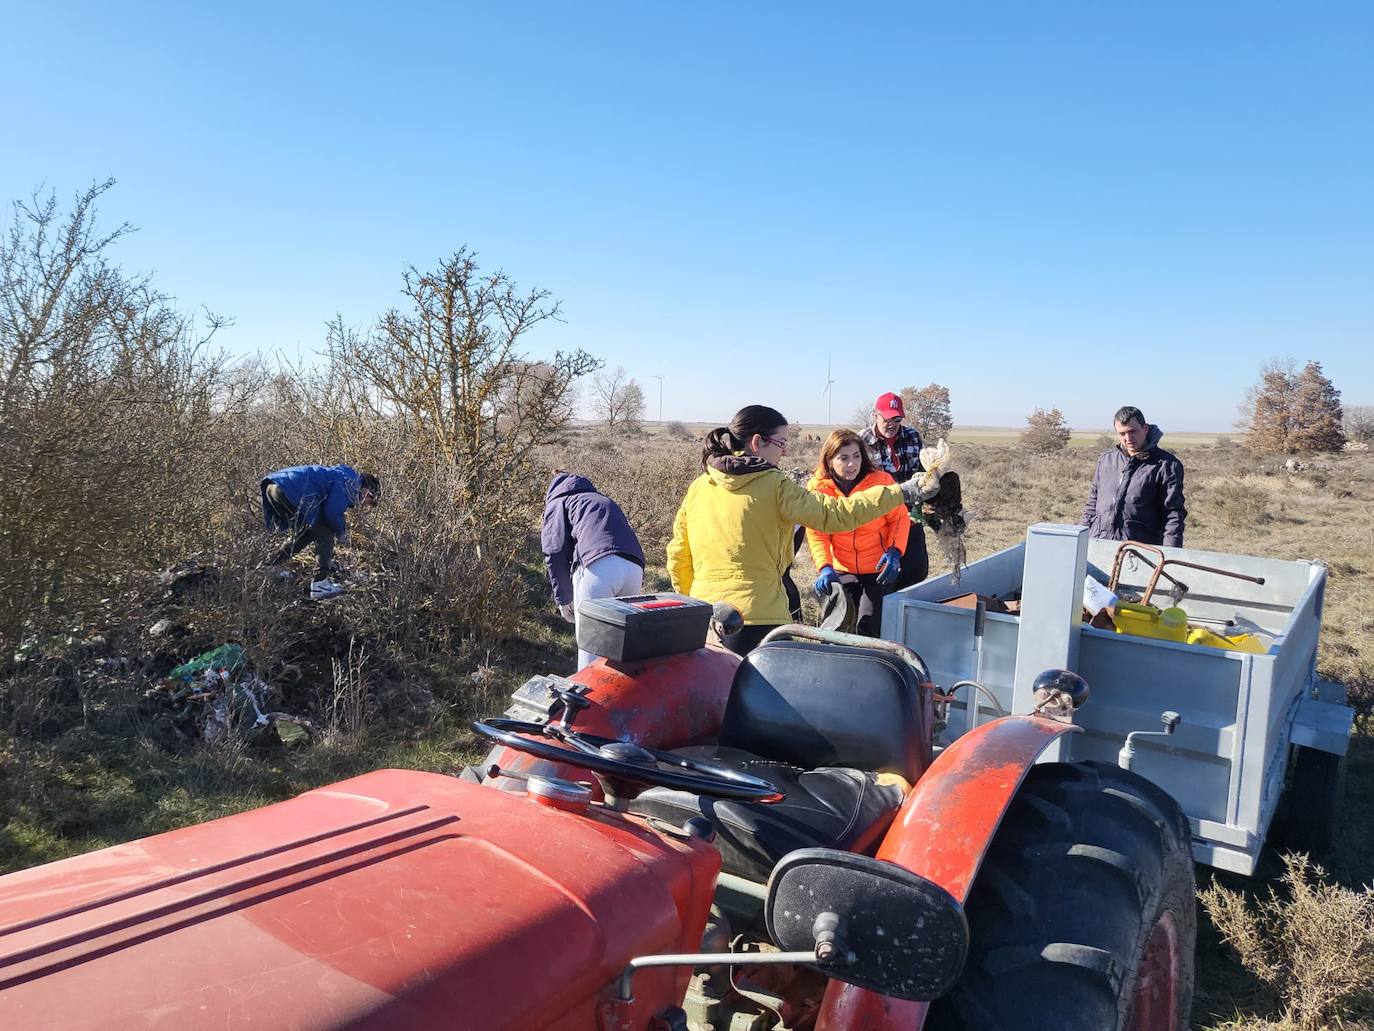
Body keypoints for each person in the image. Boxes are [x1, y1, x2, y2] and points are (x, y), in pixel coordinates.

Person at [668, 405, 935, 656]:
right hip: (762, 619)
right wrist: (902, 492)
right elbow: (836, 514)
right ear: (757, 442)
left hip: (706, 619)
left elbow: (678, 556)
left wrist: (697, 603)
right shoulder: (776, 486)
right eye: (781, 443)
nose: (784, 452)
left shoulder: (699, 487)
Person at [806, 430, 910, 637]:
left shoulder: (881, 482)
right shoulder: (818, 488)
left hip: (877, 568)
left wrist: (895, 550)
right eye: (843, 458)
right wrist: (824, 567)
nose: (852, 464)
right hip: (841, 568)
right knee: (837, 626)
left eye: (856, 456)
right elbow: (817, 532)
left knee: (868, 625)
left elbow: (898, 518)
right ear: (829, 460)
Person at [541, 471, 646, 669]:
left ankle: (590, 699)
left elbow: (554, 550)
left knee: (590, 647)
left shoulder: (559, 502)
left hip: (599, 569)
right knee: (618, 648)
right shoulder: (602, 499)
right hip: (634, 569)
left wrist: (564, 599)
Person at [261, 465, 380, 600]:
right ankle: (320, 584)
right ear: (368, 490)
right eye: (369, 500)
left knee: (308, 532)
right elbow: (332, 513)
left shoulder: (342, 476)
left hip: (273, 486)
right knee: (325, 531)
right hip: (290, 488)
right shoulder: (350, 483)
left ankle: (271, 566)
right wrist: (342, 533)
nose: (363, 504)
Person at [1081, 405, 1187, 548]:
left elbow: (1173, 515)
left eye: (1133, 431)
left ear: (1145, 429)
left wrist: (1170, 554)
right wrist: (1079, 541)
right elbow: (1091, 506)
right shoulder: (1106, 460)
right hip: (1099, 545)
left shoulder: (1167, 465)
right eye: (1122, 433)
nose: (1128, 438)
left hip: (1140, 550)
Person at [859, 391, 930, 588]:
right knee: (881, 575)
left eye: (897, 419)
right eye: (887, 418)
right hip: (878, 520)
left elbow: (923, 474)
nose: (892, 424)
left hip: (910, 517)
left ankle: (903, 609)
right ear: (875, 415)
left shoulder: (913, 437)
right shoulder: (861, 441)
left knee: (916, 571)